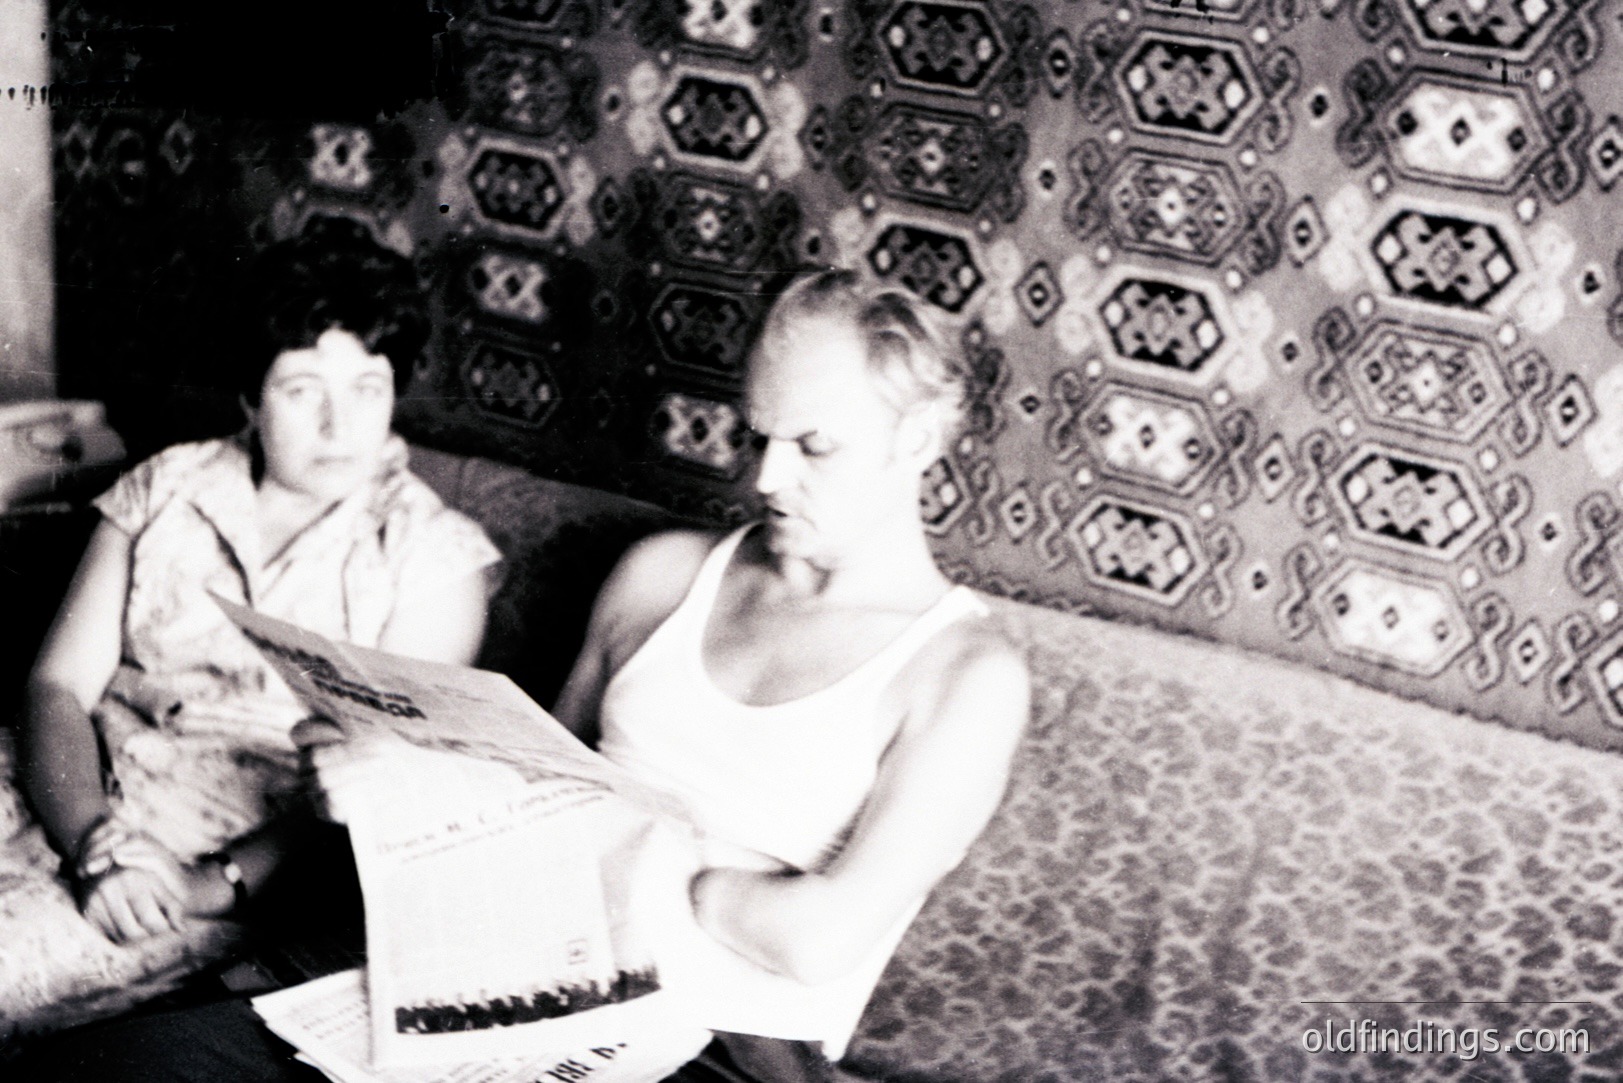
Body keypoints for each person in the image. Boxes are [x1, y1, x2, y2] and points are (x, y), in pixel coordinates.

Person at [10, 268, 1029, 1082]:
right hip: (499, 966)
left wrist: (629, 846)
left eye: (815, 447)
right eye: (759, 438)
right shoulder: (664, 576)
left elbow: (816, 939)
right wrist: (398, 781)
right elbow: (519, 780)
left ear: (921, 439)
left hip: (714, 1037)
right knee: (103, 1069)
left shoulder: (962, 672)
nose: (765, 480)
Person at [0, 220, 501, 1041]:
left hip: (222, 855)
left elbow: (369, 793)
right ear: (249, 395)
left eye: (367, 388)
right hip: (61, 778)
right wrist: (89, 832)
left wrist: (196, 884)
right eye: (304, 389)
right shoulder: (170, 482)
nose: (339, 426)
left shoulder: (431, 559)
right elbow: (56, 685)